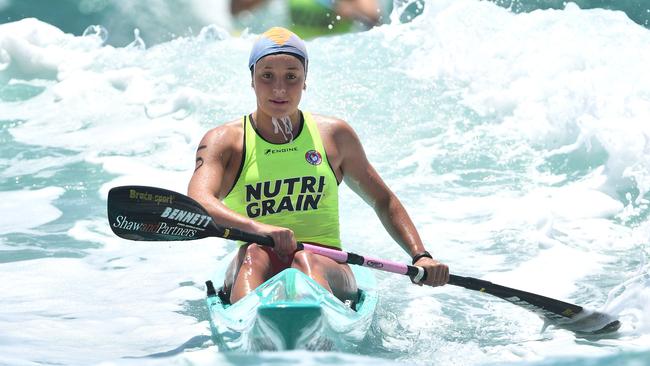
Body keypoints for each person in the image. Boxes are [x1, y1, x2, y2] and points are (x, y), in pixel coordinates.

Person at [188, 27, 448, 304]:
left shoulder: (334, 135)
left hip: (328, 264)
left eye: (291, 77)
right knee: (256, 253)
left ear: (305, 80)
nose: (279, 89)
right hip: (255, 262)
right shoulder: (225, 141)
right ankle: (250, 327)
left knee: (306, 260)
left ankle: (314, 327)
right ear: (252, 79)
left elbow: (382, 200)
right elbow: (199, 201)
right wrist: (259, 230)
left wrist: (420, 255)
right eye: (267, 76)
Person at [231, 0, 381, 39]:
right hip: (300, 50)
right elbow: (236, 9)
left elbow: (373, 16)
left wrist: (346, 7)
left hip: (336, 50)